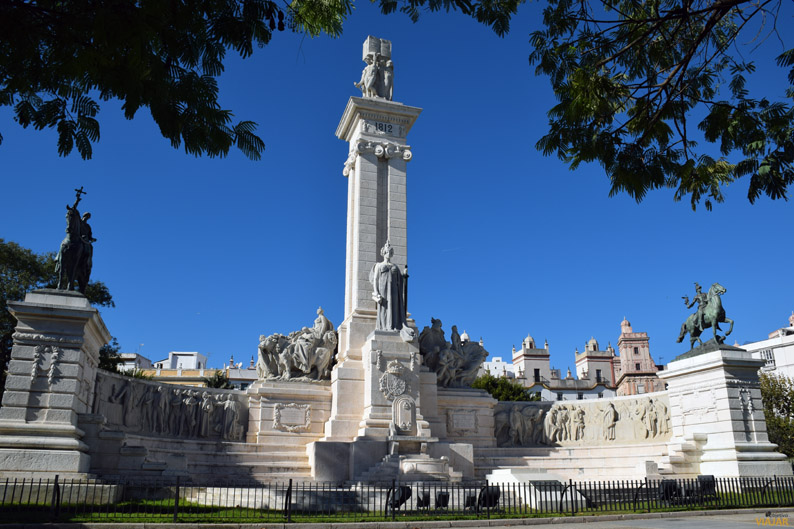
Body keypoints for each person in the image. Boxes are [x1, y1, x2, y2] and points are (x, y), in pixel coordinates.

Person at [370, 240, 407, 332]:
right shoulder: (379, 265)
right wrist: (376, 291)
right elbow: (375, 279)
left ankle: (394, 325)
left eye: (390, 252)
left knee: (394, 306)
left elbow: (400, 279)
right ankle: (384, 326)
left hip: (394, 289)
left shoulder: (395, 266)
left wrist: (404, 275)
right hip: (383, 289)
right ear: (383, 253)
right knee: (384, 308)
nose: (388, 254)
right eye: (387, 252)